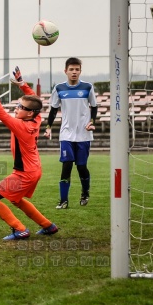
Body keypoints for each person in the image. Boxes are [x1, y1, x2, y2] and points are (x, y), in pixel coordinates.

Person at [0, 72, 58, 240]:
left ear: (30, 113)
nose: (17, 108)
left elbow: (0, 112)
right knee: (16, 199)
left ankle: (20, 229)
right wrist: (22, 84)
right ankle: (48, 226)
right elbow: (33, 99)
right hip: (34, 170)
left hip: (24, 173)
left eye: (21, 107)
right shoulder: (37, 118)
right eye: (18, 104)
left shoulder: (20, 126)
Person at [44, 57, 98, 209]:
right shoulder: (59, 88)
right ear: (65, 71)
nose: (74, 72)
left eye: (77, 69)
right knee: (66, 165)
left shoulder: (88, 87)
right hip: (66, 134)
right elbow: (54, 109)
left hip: (83, 134)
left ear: (80, 71)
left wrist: (92, 122)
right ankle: (63, 201)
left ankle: (85, 192)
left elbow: (94, 106)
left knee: (81, 166)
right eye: (71, 69)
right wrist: (48, 127)